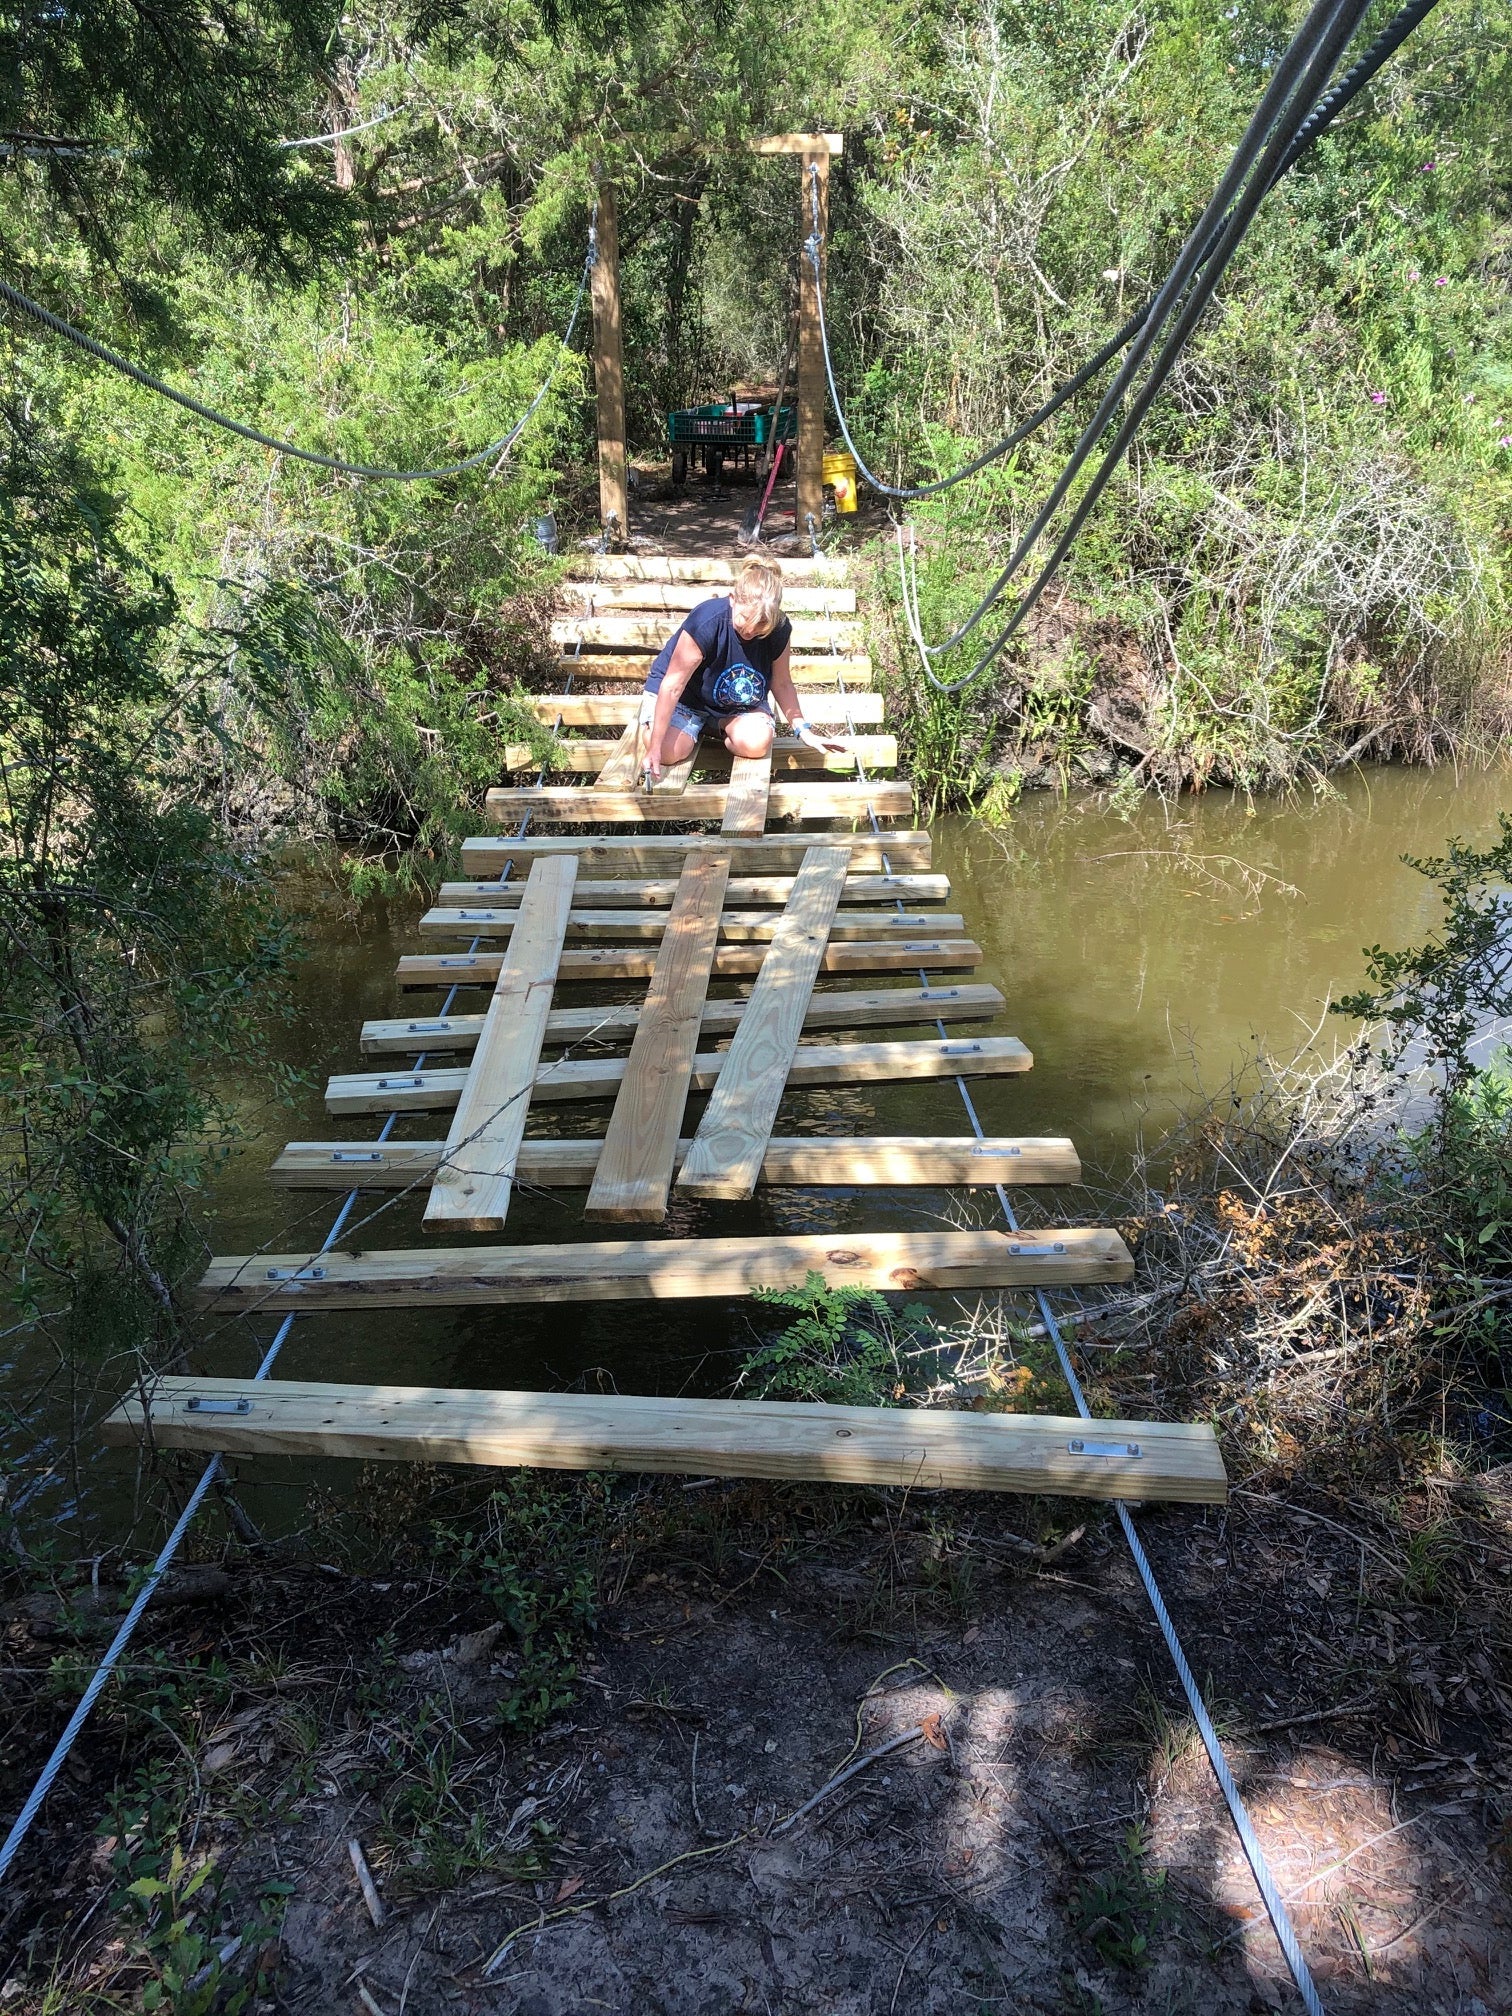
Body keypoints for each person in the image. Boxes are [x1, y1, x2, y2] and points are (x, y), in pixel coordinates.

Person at [642, 556, 849, 781]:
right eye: (745, 619)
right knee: (668, 752)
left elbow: (781, 682)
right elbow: (673, 685)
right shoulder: (708, 620)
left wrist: (803, 730)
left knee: (756, 743)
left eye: (761, 624)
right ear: (733, 599)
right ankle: (658, 725)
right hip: (685, 700)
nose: (750, 630)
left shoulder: (779, 629)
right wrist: (654, 747)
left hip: (736, 705)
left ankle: (716, 727)